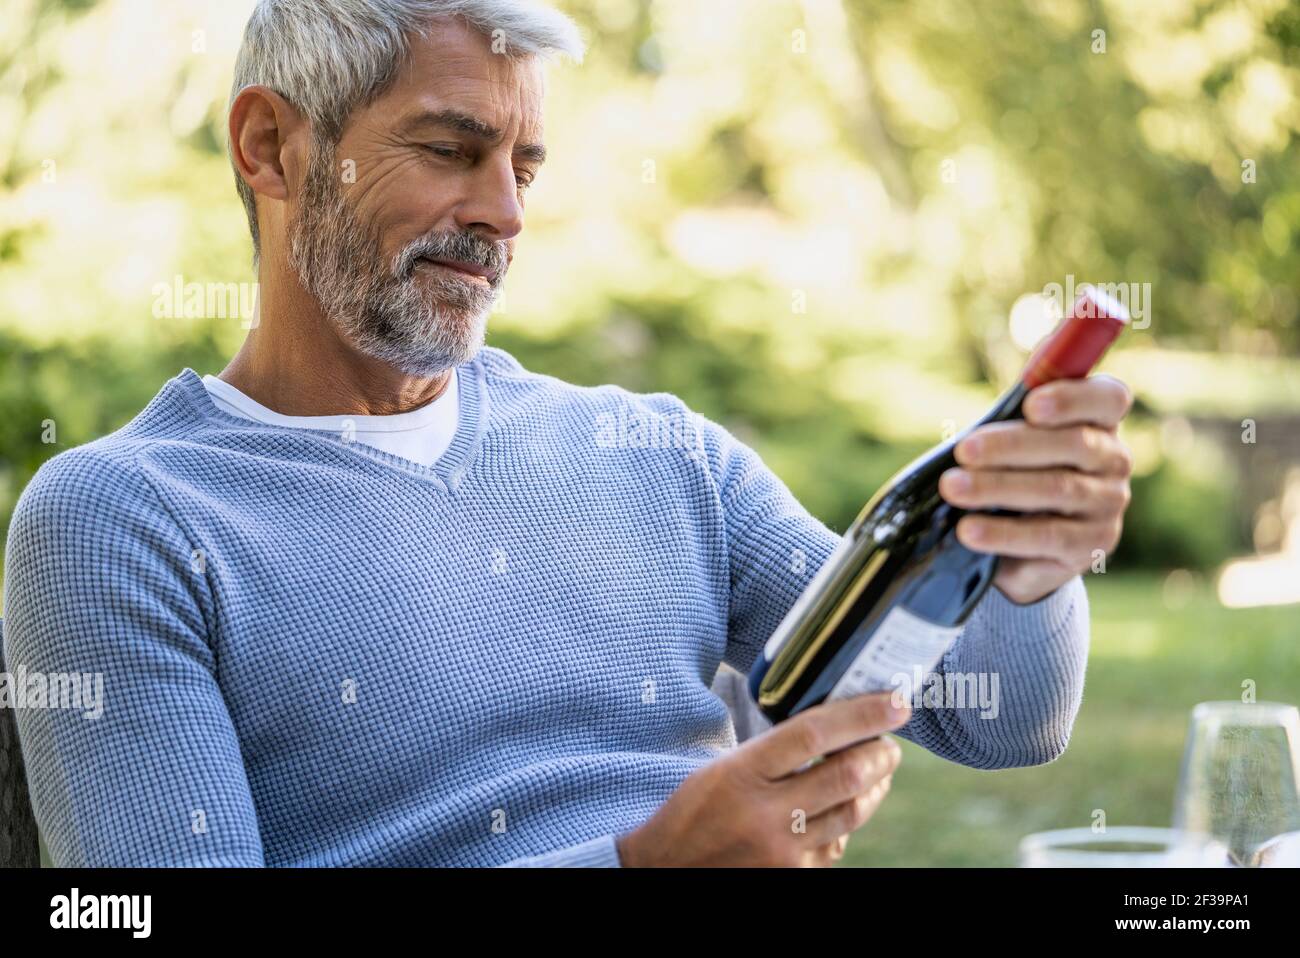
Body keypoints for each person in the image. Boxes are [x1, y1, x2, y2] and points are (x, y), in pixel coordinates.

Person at [1, 0, 1133, 867]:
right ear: (269, 146)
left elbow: (999, 718)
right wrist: (637, 866)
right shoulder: (120, 521)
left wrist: (1028, 557)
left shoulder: (658, 457)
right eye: (450, 150)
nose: (505, 213)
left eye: (524, 164)